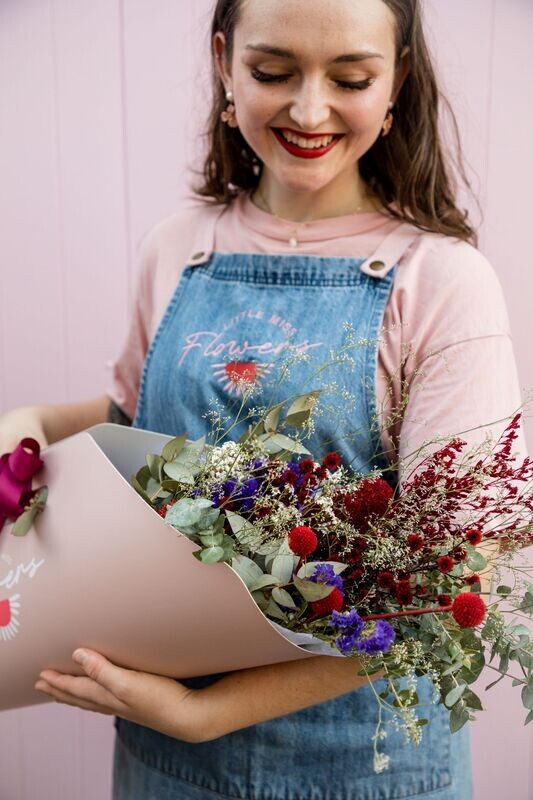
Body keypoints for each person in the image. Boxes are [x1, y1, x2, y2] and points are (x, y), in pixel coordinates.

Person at [1, 0, 528, 798]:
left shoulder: (442, 281)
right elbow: (140, 423)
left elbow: (456, 582)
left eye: (348, 76)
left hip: (367, 770)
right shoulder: (178, 248)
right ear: (224, 63)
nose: (308, 109)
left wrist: (209, 712)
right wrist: (32, 423)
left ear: (397, 82)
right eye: (271, 72)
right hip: (162, 760)